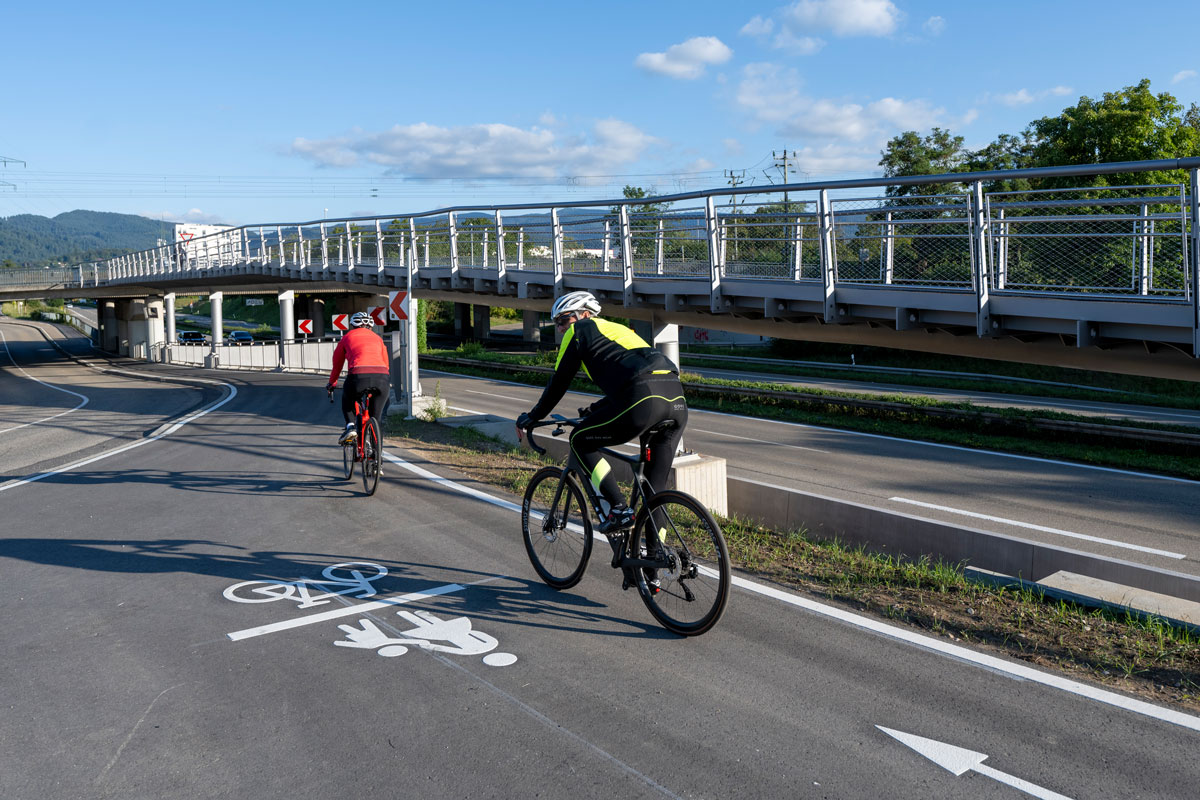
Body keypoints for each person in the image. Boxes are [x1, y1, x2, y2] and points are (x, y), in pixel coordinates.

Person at [517, 291, 687, 533]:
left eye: (564, 321)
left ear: (584, 315)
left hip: (643, 399)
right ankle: (654, 563)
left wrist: (532, 416)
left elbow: (558, 382)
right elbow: (632, 377)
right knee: (654, 490)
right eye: (556, 323)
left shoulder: (580, 331)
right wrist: (596, 409)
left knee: (579, 439)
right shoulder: (617, 331)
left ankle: (619, 508)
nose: (560, 329)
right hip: (676, 398)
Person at [327, 311, 391, 445]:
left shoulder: (346, 338)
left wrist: (332, 383)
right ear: (371, 327)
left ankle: (350, 426)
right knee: (376, 418)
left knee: (347, 397)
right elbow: (386, 363)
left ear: (352, 325)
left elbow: (337, 364)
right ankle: (377, 458)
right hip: (382, 379)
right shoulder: (378, 338)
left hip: (358, 376)